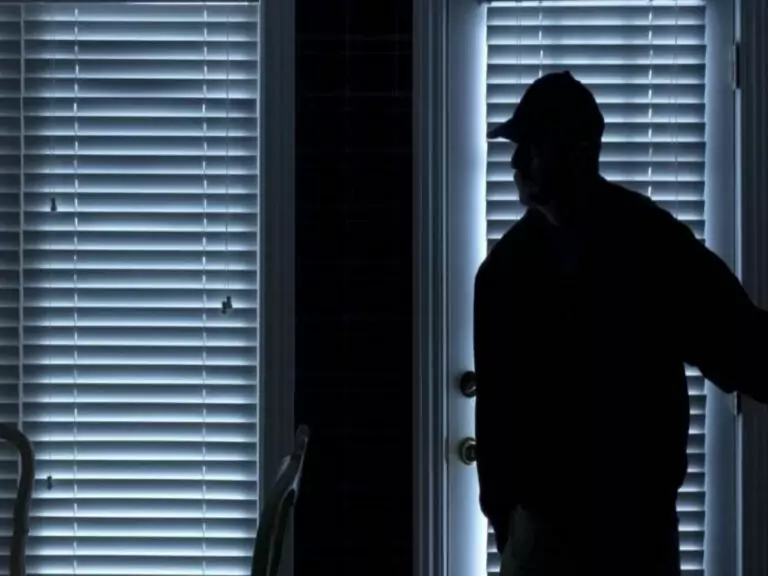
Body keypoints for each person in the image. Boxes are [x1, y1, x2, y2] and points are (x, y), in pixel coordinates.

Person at [474, 70, 768, 576]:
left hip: (635, 533)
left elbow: (738, 342)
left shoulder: (651, 246)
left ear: (580, 153)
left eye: (533, 146)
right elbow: (496, 416)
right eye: (517, 146)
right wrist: (509, 525)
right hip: (544, 536)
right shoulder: (503, 274)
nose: (517, 162)